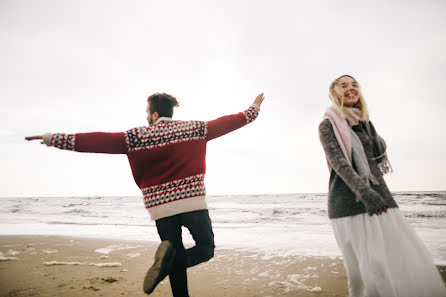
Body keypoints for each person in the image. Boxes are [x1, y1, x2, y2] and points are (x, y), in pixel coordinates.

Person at [26, 92, 265, 297]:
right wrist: (253, 109)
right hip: (193, 204)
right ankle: (170, 263)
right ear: (170, 111)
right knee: (206, 248)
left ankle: (171, 269)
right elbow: (231, 121)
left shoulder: (135, 137)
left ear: (152, 115)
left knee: (171, 253)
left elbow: (97, 141)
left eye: (146, 113)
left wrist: (51, 139)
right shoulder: (196, 128)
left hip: (160, 210)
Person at [318, 75, 445, 297]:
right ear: (334, 92)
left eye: (355, 84)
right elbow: (339, 164)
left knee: (402, 258)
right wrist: (365, 193)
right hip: (349, 203)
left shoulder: (365, 124)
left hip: (382, 198)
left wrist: (376, 194)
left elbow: (375, 162)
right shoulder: (328, 124)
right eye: (344, 85)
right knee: (367, 272)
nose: (351, 88)